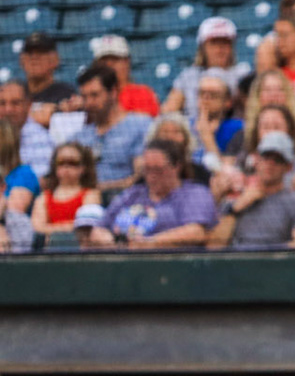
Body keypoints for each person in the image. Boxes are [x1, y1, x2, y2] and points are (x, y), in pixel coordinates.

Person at [88, 137, 215, 249]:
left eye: (158, 170)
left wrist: (150, 243)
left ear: (177, 166)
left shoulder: (194, 193)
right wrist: (115, 243)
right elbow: (97, 231)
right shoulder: (133, 194)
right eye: (147, 169)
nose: (151, 176)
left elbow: (196, 232)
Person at [206, 130, 295, 248]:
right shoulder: (234, 200)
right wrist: (235, 210)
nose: (270, 163)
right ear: (256, 159)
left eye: (278, 159)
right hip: (238, 258)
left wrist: (267, 257)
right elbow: (214, 247)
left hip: (277, 259)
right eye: (266, 156)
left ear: (288, 167)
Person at [71, 64, 153, 192]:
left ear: (113, 92)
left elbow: (140, 178)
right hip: (87, 201)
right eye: (84, 97)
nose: (89, 103)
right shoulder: (80, 137)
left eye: (94, 95)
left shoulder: (140, 125)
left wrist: (100, 189)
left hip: (128, 199)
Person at [29, 144, 99, 239]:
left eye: (73, 163)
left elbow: (87, 226)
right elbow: (37, 228)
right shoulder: (43, 197)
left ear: (83, 167)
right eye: (61, 163)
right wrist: (72, 226)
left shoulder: (90, 194)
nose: (66, 167)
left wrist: (50, 228)